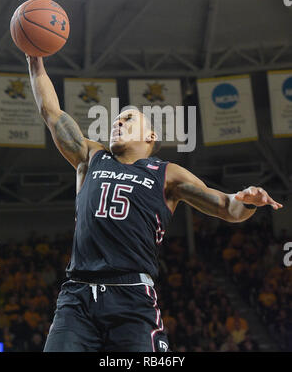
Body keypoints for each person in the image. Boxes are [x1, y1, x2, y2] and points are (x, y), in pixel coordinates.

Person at [26, 55, 283, 352]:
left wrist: (247, 200)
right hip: (77, 297)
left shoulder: (167, 174)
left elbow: (227, 207)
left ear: (150, 136)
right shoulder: (90, 157)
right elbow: (52, 113)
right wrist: (35, 60)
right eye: (116, 120)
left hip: (132, 298)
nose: (118, 123)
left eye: (128, 119)